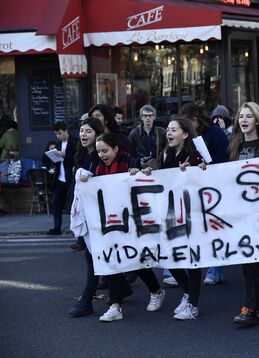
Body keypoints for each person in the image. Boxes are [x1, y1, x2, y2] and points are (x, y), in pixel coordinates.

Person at [83, 133, 165, 322]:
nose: (102, 155)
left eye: (105, 151)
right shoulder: (97, 167)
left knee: (135, 261)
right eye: (99, 151)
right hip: (109, 223)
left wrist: (139, 173)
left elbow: (147, 176)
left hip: (131, 221)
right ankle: (115, 305)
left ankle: (156, 290)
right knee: (113, 261)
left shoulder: (130, 162)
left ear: (116, 149)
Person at [140, 117, 206, 320]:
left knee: (192, 259)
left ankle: (193, 304)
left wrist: (199, 168)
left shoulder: (195, 155)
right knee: (170, 256)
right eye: (168, 129)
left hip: (191, 213)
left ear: (185, 134)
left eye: (174, 130)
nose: (168, 133)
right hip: (169, 214)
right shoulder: (165, 153)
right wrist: (150, 171)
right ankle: (187, 293)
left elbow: (209, 175)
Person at [229, 102, 259, 325]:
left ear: (258, 120)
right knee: (248, 262)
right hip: (241, 212)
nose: (244, 120)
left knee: (254, 262)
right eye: (241, 116)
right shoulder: (235, 146)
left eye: (249, 116)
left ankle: (249, 307)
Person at [180, 103, 229, 285]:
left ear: (196, 120)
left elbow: (225, 157)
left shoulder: (215, 133)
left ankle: (215, 270)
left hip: (215, 185)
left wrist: (209, 164)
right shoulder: (191, 135)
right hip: (198, 186)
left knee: (214, 227)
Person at [68, 117, 106, 317]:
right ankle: (122, 288)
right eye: (82, 130)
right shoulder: (81, 156)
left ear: (97, 134)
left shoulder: (102, 156)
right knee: (92, 256)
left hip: (102, 214)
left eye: (88, 131)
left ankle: (86, 300)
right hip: (88, 213)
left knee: (96, 256)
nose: (83, 134)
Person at [46, 123, 77, 235]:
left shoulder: (74, 142)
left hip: (70, 178)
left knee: (72, 204)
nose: (58, 136)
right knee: (55, 202)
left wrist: (64, 156)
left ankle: (75, 228)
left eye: (60, 133)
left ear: (66, 130)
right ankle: (57, 227)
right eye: (56, 134)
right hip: (60, 178)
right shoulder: (58, 144)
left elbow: (76, 159)